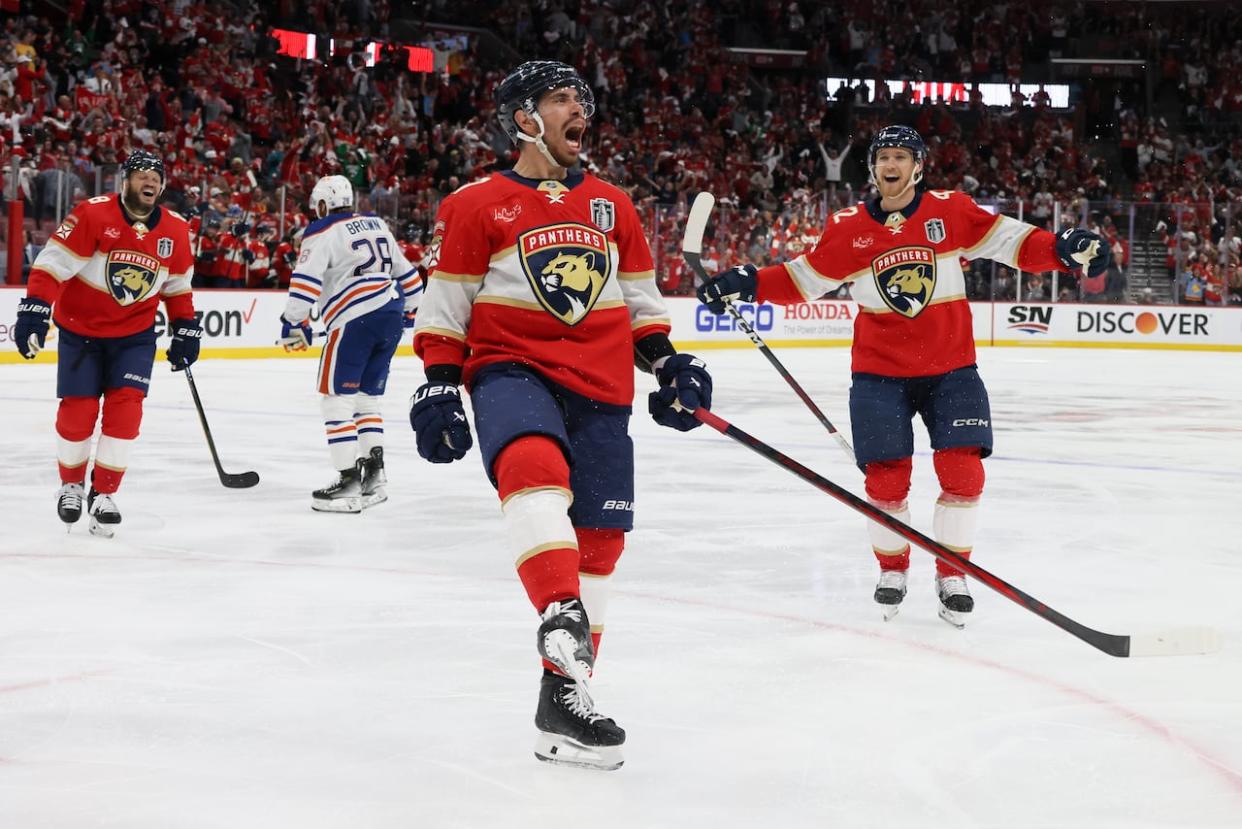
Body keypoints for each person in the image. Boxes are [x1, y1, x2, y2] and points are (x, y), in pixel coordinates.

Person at [408, 60, 712, 771]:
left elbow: (642, 308)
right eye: (560, 98)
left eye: (582, 98)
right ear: (524, 119)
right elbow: (446, 308)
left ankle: (564, 697)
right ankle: (558, 611)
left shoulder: (614, 205)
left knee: (601, 543)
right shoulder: (476, 203)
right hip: (512, 367)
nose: (580, 108)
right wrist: (439, 383)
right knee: (532, 463)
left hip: (604, 385)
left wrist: (671, 365)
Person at [697, 125, 1108, 628]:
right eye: (883, 156)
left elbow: (1012, 242)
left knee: (963, 473)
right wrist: (748, 282)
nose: (891, 165)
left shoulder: (950, 210)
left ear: (918, 167)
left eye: (901, 156)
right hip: (879, 375)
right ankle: (893, 569)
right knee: (887, 482)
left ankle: (951, 573)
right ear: (873, 168)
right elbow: (804, 279)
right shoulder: (848, 228)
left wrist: (1062, 249)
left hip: (952, 369)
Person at [13, 149, 200, 538]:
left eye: (157, 176)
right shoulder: (93, 214)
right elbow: (52, 264)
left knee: (125, 414)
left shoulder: (177, 230)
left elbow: (178, 286)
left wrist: (185, 326)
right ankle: (71, 485)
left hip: (134, 336)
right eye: (142, 174)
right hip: (81, 332)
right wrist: (34, 309)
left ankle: (104, 493)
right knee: (77, 414)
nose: (151, 180)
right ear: (124, 180)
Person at [279, 174, 422, 513]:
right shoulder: (376, 224)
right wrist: (412, 310)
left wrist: (292, 321)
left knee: (336, 400)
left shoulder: (321, 230)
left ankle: (348, 481)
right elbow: (408, 274)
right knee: (367, 401)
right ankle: (374, 477)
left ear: (325, 204)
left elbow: (305, 279)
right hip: (390, 312)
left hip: (353, 318)